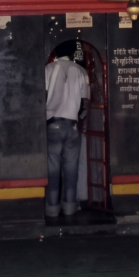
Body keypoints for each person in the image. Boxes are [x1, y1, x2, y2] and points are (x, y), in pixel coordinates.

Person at [44, 43, 89, 218]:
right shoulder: (80, 71)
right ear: (72, 54)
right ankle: (70, 208)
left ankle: (52, 209)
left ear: (55, 52)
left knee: (52, 171)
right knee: (71, 170)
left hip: (51, 124)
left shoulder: (47, 70)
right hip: (72, 125)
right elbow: (86, 103)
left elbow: (42, 98)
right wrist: (81, 120)